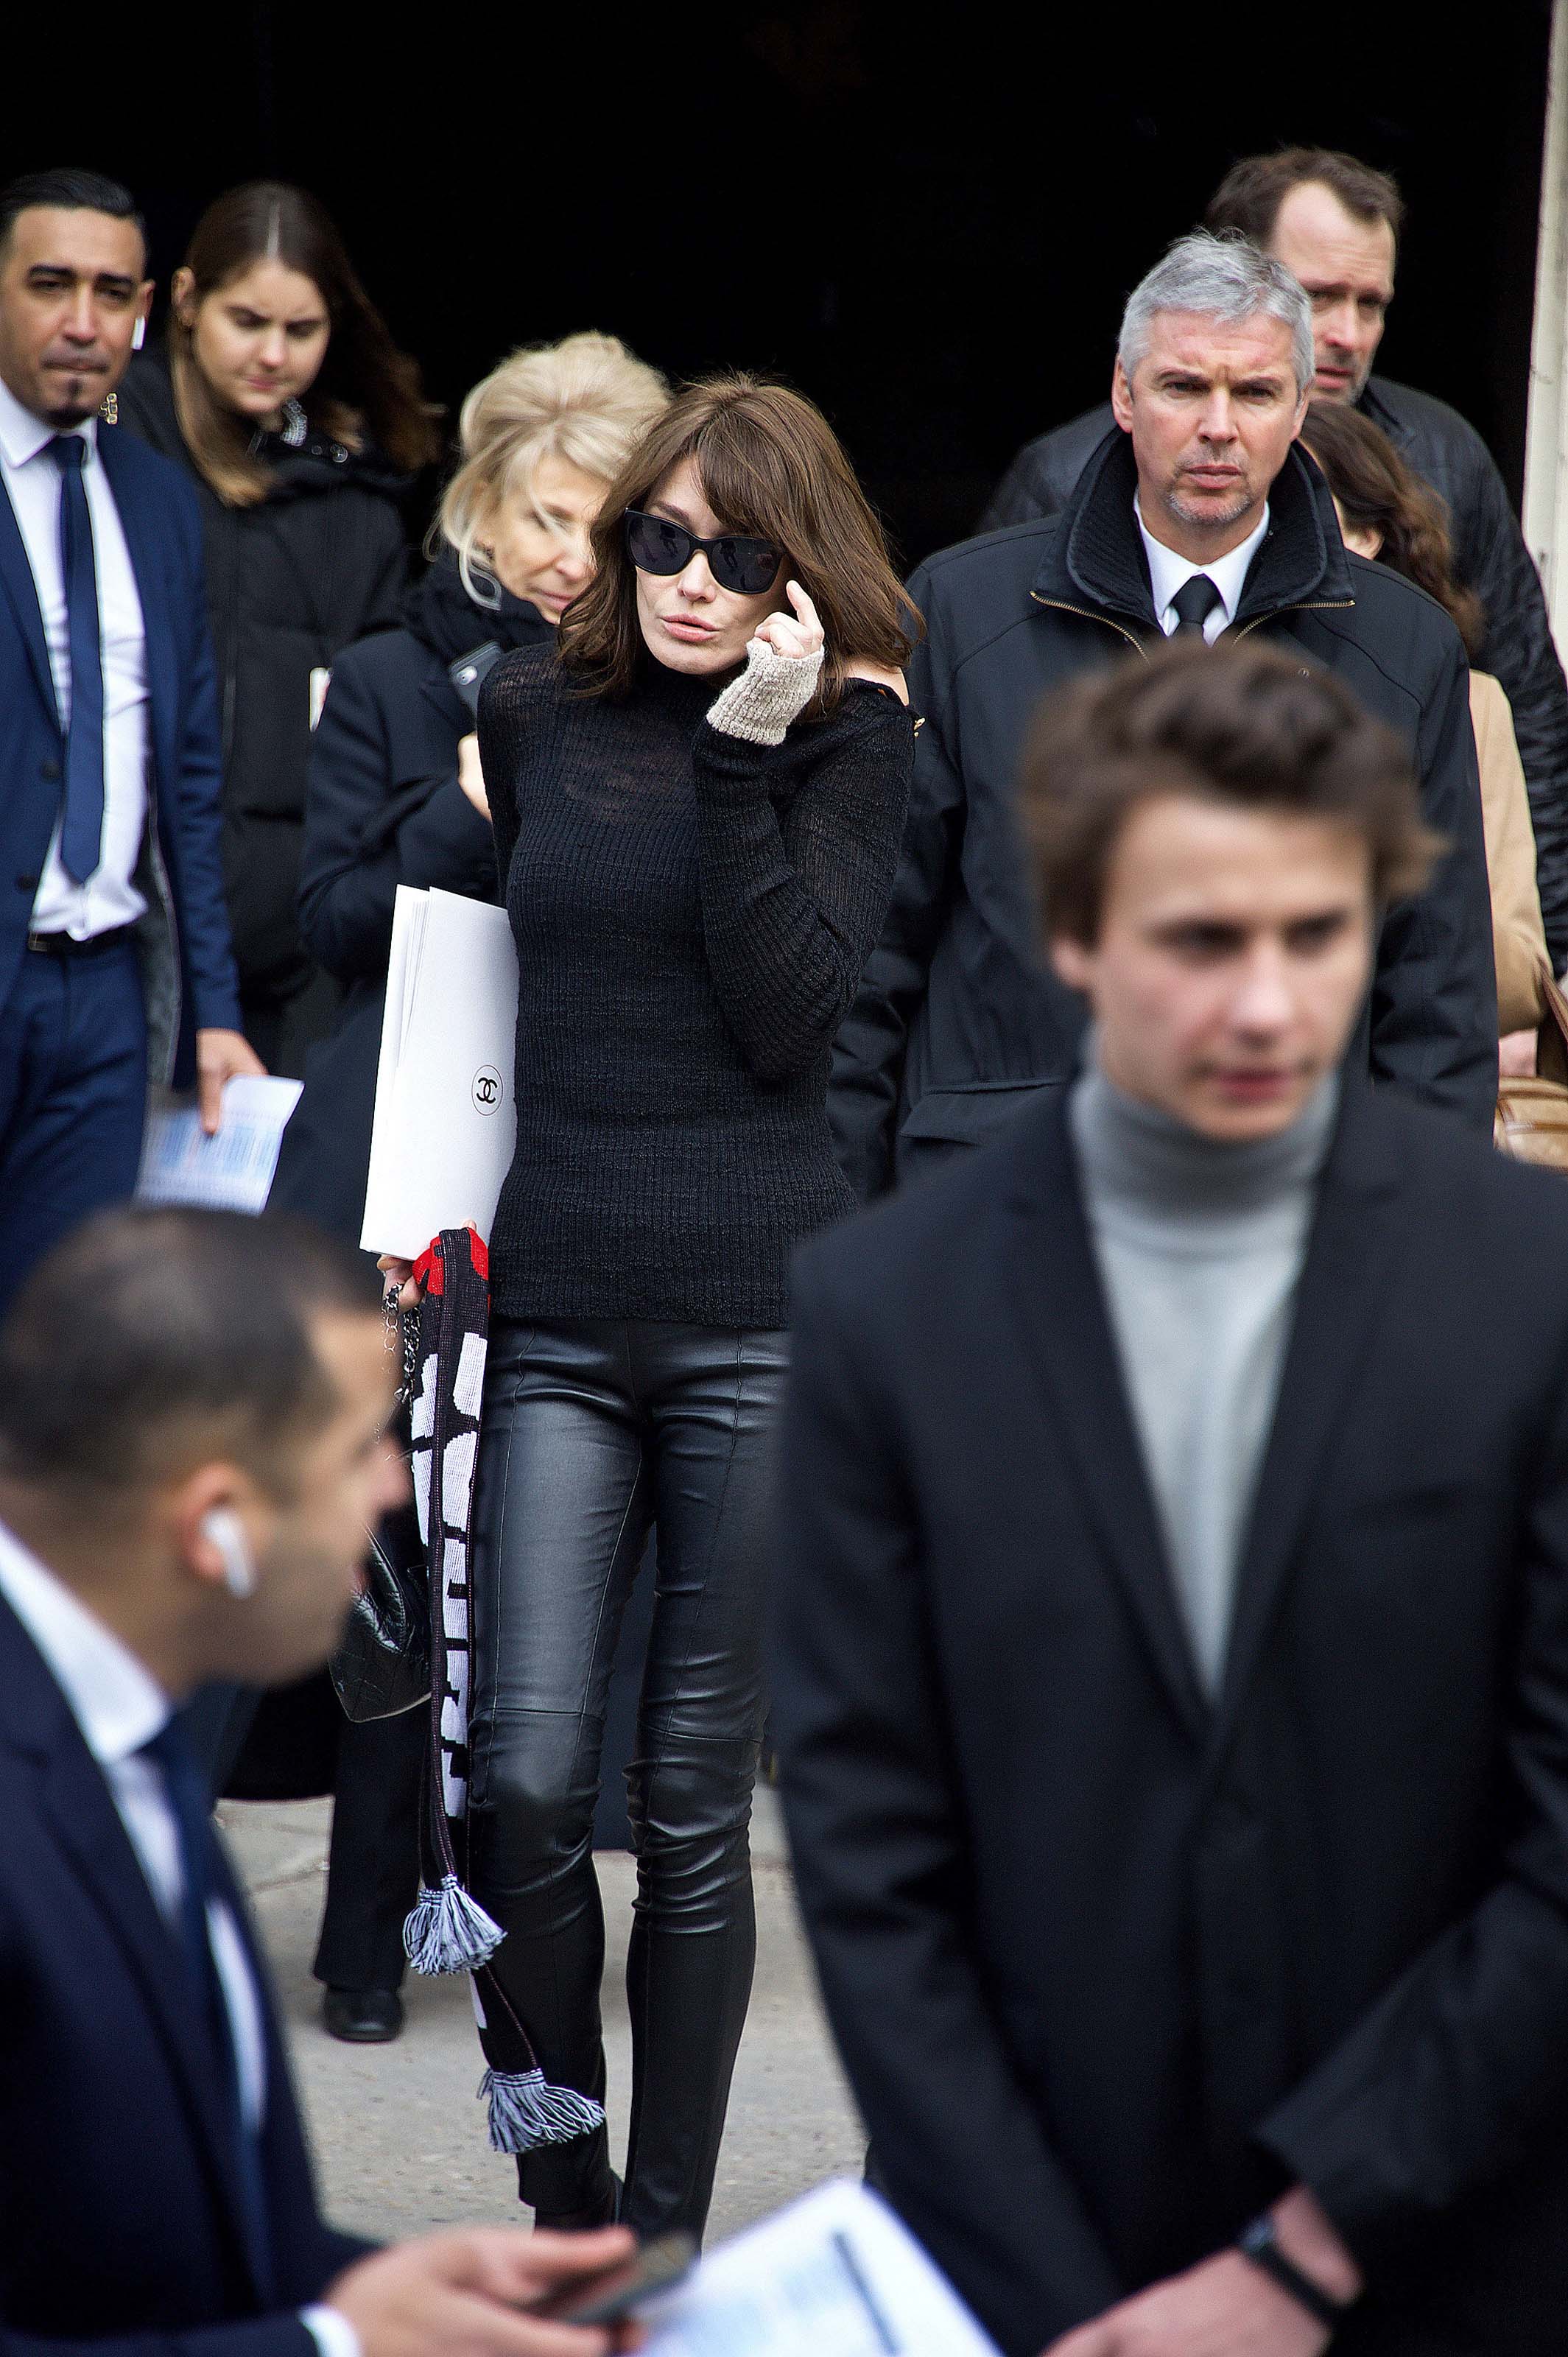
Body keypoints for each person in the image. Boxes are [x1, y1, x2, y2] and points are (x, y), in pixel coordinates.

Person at [777, 637, 1568, 2357]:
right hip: (1049, 2271)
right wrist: (1069, 2304)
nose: (1269, 1004)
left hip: (1453, 2251)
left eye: (1318, 936)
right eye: (1202, 941)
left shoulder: (1531, 1286)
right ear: (1071, 939)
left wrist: (1308, 2251)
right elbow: (870, 1866)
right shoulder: (883, 1316)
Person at [382, 375, 917, 2238]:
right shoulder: (534, 706)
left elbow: (789, 1016)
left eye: (737, 551)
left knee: (686, 1807)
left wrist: (749, 755)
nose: (690, 581)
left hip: (758, 1319)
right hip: (559, 1305)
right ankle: (568, 2201)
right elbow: (473, 942)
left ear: (802, 565)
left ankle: (667, 2233)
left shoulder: (851, 737)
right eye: (660, 542)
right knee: (523, 1776)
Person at [0, 1201, 639, 2357]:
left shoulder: (118, 1728)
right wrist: (333, 2346)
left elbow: (152, 2246)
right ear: (219, 1524)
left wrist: (389, 2286)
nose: (393, 1494)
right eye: (359, 1453)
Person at [260, 331, 667, 2047]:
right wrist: (465, 806)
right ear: (487, 502)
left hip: (579, 1143)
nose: (576, 557)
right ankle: (365, 1942)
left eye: (609, 524)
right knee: (394, 1534)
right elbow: (325, 924)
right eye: (552, 515)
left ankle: (531, 1925)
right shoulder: (390, 675)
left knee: (553, 1538)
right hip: (396, 1147)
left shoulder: (660, 687)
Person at [830, 232, 1497, 1200]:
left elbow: (1435, 1008)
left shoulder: (1403, 652)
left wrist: (1401, 1265)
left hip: (1286, 1212)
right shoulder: (960, 612)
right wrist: (855, 1248)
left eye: (1255, 393)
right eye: (1185, 387)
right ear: (1123, 394)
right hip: (999, 1202)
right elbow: (870, 957)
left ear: (1303, 409)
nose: (1218, 427)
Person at [981, 145, 1568, 974]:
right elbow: (990, 708)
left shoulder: (1444, 454)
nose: (1346, 333)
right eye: (1320, 295)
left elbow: (1528, 710)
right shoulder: (1065, 474)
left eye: (1371, 304)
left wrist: (1545, 953)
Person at [0, 168, 260, 1285]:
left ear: (148, 308)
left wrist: (212, 1006)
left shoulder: (157, 497)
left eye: (113, 294)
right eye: (49, 286)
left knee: (65, 1359)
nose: (82, 321)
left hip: (108, 994)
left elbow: (187, 777)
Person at [116, 181, 440, 1075]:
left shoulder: (360, 497)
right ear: (184, 301)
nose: (272, 354)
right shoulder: (111, 454)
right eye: (247, 320)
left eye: (302, 331)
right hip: (125, 928)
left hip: (294, 949)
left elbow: (367, 741)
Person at [1298, 396, 1549, 1070]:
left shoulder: (1467, 702)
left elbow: (1519, 972)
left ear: (1366, 538)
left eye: (1303, 507)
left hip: (1384, 1091)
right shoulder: (1191, 689)